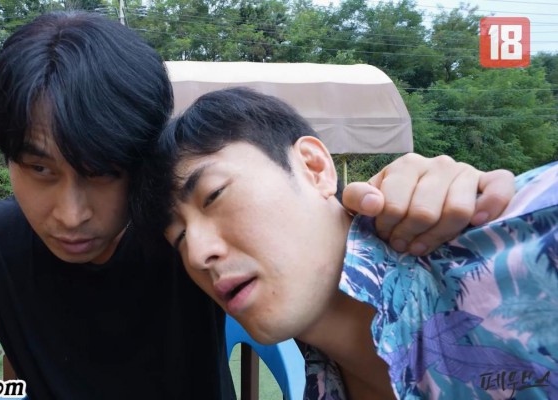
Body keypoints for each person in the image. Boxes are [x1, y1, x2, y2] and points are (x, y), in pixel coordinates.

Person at [0, 12, 517, 400]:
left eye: (103, 172)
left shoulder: (196, 232)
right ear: (8, 161)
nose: (70, 213)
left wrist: (429, 196)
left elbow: (332, 251)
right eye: (39, 169)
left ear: (143, 159)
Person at [148, 87, 558, 399]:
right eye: (178, 238)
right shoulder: (322, 382)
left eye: (214, 196)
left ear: (314, 168)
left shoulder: (528, 244)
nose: (197, 254)